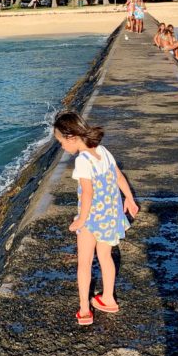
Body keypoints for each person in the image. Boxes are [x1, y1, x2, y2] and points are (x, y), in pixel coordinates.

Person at [53, 111, 139, 326]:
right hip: (110, 215)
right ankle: (108, 299)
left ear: (71, 137)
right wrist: (129, 198)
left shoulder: (82, 161)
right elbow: (119, 176)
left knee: (84, 263)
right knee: (105, 256)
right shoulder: (103, 150)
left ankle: (84, 309)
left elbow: (88, 193)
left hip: (92, 218)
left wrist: (81, 220)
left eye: (61, 142)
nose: (62, 147)